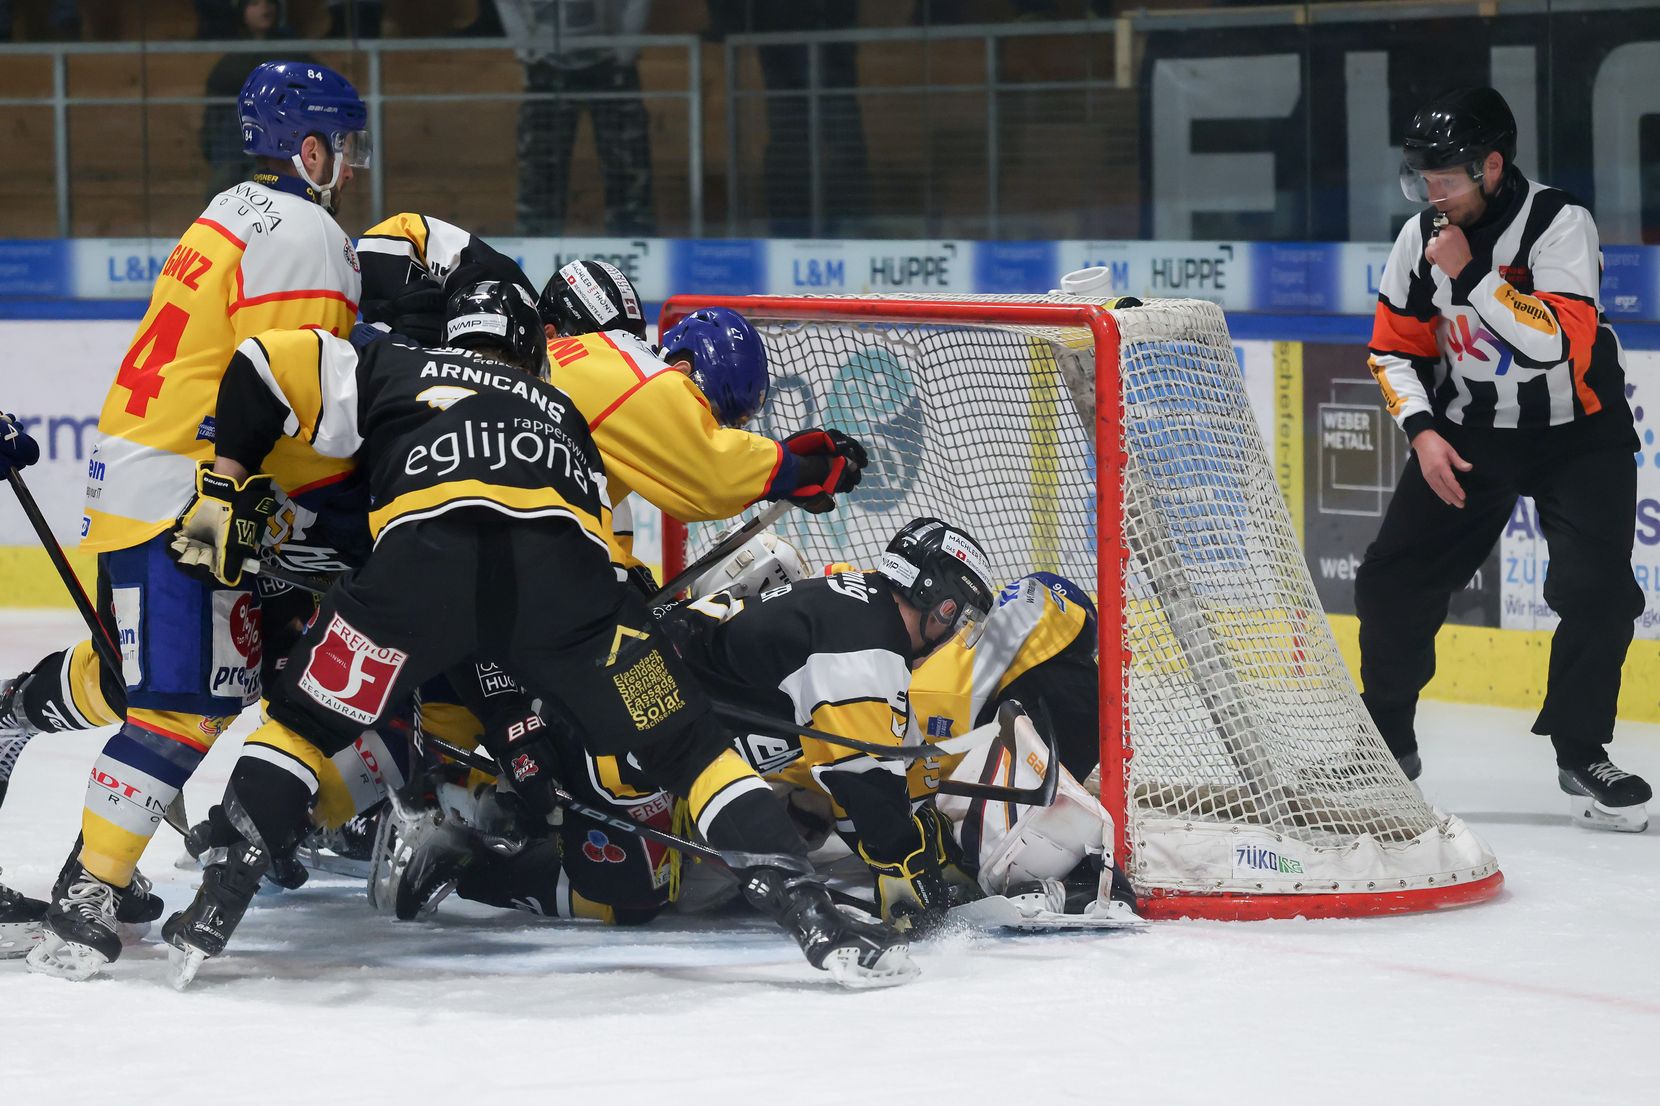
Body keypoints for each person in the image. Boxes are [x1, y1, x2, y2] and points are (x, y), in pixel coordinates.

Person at [159, 282, 916, 989]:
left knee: (302, 719)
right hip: (568, 596)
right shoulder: (560, 406)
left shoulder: (396, 358)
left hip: (421, 571)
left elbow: (260, 360)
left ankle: (225, 888)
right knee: (690, 748)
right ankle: (807, 907)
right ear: (532, 346)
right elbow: (623, 531)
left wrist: (222, 487)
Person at [22, 61, 372, 981]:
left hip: (133, 479)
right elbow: (281, 384)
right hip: (193, 494)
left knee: (151, 677)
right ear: (309, 146)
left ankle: (21, 711)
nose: (352, 163)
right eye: (344, 143)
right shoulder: (308, 233)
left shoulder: (223, 213)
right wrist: (341, 501)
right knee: (183, 705)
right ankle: (88, 891)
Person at [1358, 86, 1650, 831]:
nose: (1433, 195)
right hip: (1469, 436)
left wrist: (1474, 277)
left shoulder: (1561, 223)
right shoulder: (1417, 238)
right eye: (1423, 181)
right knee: (1393, 581)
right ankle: (1387, 738)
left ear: (1492, 166)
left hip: (1578, 435)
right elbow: (1392, 350)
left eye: (1447, 179)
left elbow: (1555, 341)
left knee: (1598, 592)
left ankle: (1581, 750)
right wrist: (1423, 432)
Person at [659, 517, 996, 931]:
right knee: (624, 898)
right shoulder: (865, 641)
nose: (952, 636)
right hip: (636, 755)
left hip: (676, 752)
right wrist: (903, 859)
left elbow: (892, 770)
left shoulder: (868, 617)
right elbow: (862, 776)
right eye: (958, 618)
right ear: (939, 601)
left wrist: (930, 839)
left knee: (815, 806)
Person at [495, 0, 655, 235]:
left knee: (628, 168)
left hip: (611, 58)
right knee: (540, 173)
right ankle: (536, 249)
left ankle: (633, 243)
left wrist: (625, 50)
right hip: (546, 60)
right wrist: (527, 49)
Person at [199, 1, 311, 200]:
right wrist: (213, 148)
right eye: (255, 3)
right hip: (233, 149)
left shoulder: (293, 53)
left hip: (280, 149)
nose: (265, 8)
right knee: (220, 193)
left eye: (269, 3)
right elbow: (213, 117)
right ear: (242, 12)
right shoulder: (230, 60)